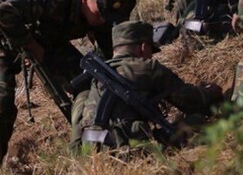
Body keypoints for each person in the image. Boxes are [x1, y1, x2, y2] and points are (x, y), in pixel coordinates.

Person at [0, 0, 132, 175]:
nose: (103, 20)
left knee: (88, 82)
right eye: (101, 13)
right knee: (1, 99)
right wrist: (31, 46)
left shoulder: (99, 13)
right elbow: (2, 13)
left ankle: (85, 141)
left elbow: (108, 58)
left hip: (44, 40)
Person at [78, 21, 221, 150]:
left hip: (96, 151)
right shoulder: (147, 67)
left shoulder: (99, 77)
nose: (151, 56)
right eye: (150, 51)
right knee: (196, 121)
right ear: (143, 47)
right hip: (130, 150)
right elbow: (191, 101)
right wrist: (211, 91)